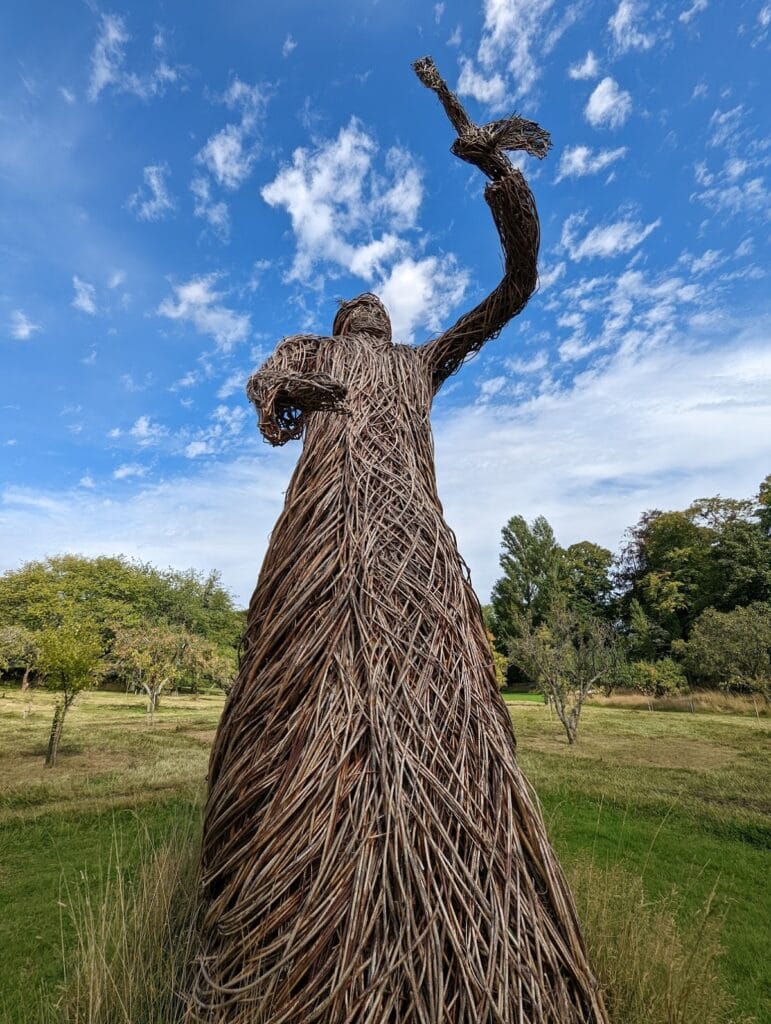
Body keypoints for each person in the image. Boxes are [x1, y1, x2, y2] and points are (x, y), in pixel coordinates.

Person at [187, 61, 606, 1024]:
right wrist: (292, 395)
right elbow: (264, 384)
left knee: (438, 687)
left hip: (410, 537)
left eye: (377, 309)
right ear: (339, 324)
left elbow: (513, 292)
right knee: (304, 672)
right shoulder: (318, 348)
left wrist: (495, 173)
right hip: (323, 533)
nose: (369, 311)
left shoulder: (424, 362)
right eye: (354, 310)